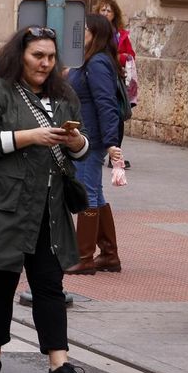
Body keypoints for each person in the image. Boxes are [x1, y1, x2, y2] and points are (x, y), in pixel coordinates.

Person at [0, 25, 95, 373]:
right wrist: (30, 137)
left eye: (51, 57)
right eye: (38, 55)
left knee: (50, 286)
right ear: (19, 55)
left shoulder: (64, 95)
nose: (45, 63)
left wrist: (76, 141)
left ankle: (60, 365)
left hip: (48, 209)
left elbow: (81, 149)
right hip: (4, 206)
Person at [68, 14, 125, 274]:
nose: (81, 35)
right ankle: (109, 254)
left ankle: (84, 257)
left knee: (87, 192)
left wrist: (112, 143)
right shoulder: (90, 60)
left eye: (85, 30)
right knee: (96, 193)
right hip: (90, 134)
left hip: (92, 138)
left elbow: (106, 103)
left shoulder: (98, 62)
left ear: (96, 33)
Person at [97, 0, 138, 108]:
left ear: (114, 15)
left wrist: (119, 58)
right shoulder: (92, 31)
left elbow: (131, 55)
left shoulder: (120, 35)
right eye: (103, 10)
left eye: (109, 11)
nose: (105, 13)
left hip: (116, 77)